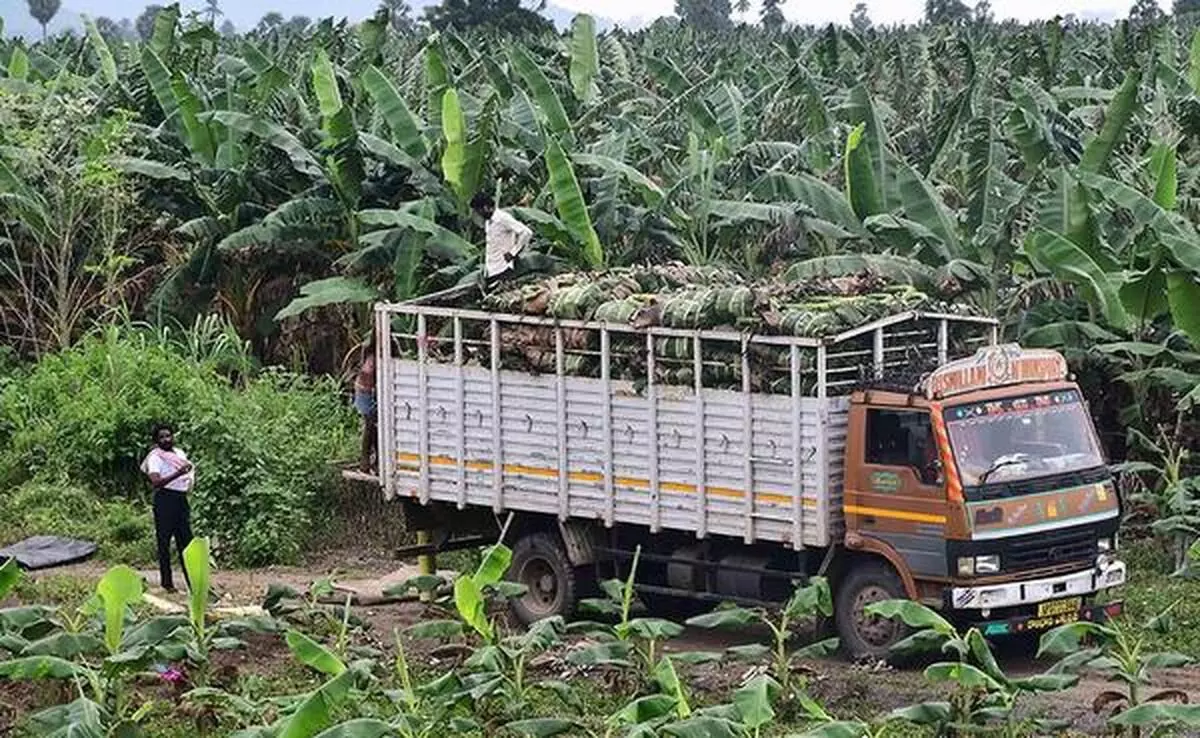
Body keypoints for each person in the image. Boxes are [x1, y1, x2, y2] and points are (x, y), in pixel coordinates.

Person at [141, 424, 195, 593]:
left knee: (186, 542)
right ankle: (167, 583)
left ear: (173, 437)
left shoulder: (179, 453)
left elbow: (189, 472)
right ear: (156, 441)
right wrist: (178, 473)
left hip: (180, 499)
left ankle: (193, 582)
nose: (166, 439)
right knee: (164, 541)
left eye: (168, 436)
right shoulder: (155, 457)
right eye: (162, 437)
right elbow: (156, 482)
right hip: (165, 499)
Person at [471, 192, 532, 281]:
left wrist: (512, 253)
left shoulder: (502, 218)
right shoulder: (488, 222)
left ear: (486, 207)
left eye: (478, 210)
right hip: (492, 269)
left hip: (503, 268)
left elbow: (526, 232)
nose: (479, 214)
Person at [354, 337, 377, 471]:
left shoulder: (387, 347)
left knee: (373, 427)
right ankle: (367, 460)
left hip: (370, 391)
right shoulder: (369, 350)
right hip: (366, 391)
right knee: (370, 425)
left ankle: (371, 460)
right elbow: (367, 372)